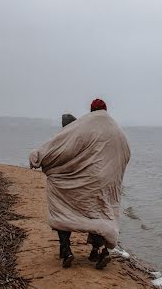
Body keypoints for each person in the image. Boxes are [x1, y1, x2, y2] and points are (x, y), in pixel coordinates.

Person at [29, 98, 130, 269]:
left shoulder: (84, 126)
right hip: (106, 183)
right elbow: (125, 155)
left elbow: (63, 147)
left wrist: (38, 156)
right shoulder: (117, 130)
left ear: (91, 111)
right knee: (100, 213)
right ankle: (98, 252)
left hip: (84, 181)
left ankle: (67, 250)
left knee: (62, 206)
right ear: (105, 109)